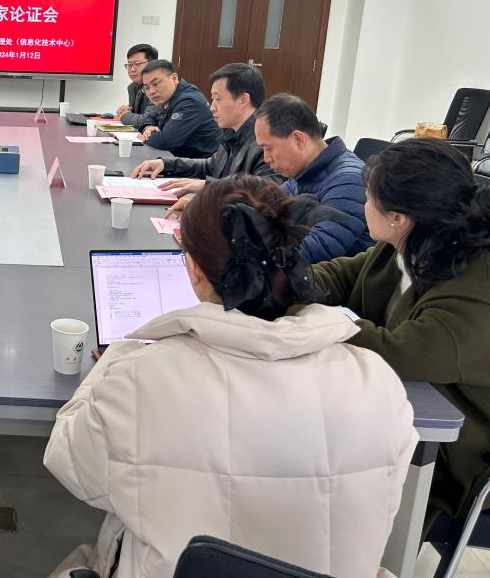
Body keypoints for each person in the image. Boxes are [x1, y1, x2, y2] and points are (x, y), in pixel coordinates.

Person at [44, 175, 417, 578]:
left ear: (193, 268)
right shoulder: (377, 381)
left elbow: (72, 466)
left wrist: (117, 357)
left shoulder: (141, 376)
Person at [311, 139, 490, 534]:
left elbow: (398, 353)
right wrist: (288, 280)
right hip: (407, 414)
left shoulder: (475, 284)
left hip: (459, 451)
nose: (363, 205)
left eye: (368, 198)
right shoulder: (410, 243)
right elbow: (341, 273)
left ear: (397, 217)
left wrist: (303, 316)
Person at [131, 62, 275, 212]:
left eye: (218, 99)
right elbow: (211, 166)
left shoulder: (265, 143)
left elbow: (265, 195)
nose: (212, 107)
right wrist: (165, 164)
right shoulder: (232, 132)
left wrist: (210, 186)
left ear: (243, 100)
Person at [255, 93, 373, 262]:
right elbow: (262, 211)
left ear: (298, 139)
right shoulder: (303, 172)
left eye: (268, 148)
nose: (266, 158)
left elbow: (315, 251)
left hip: (333, 276)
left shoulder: (349, 180)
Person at [132, 59, 219, 158]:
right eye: (146, 87)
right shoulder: (167, 97)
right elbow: (151, 115)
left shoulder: (189, 101)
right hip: (178, 159)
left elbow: (166, 141)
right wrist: (148, 127)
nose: (151, 91)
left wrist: (146, 136)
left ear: (174, 78)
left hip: (198, 164)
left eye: (155, 84)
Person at [115, 43, 160, 128]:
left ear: (152, 64)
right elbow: (138, 118)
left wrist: (125, 116)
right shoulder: (132, 87)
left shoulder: (157, 87)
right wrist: (126, 111)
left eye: (137, 64)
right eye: (129, 65)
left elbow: (147, 120)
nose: (132, 69)